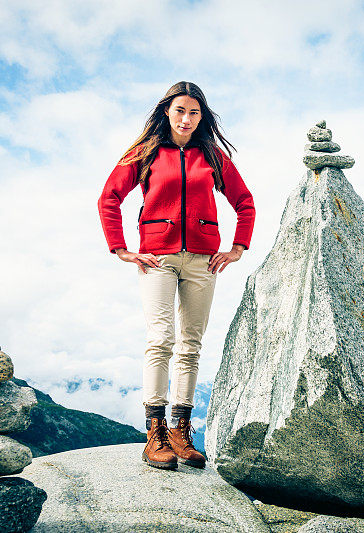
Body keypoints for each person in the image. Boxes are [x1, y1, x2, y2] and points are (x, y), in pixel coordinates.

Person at [97, 81, 255, 470]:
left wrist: (236, 248)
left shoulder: (213, 156)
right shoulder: (144, 153)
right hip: (158, 258)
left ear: (202, 116)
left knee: (191, 344)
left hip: (203, 261)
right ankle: (155, 434)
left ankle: (181, 433)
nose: (186, 119)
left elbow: (245, 203)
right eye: (180, 110)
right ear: (166, 111)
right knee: (161, 339)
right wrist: (121, 248)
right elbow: (109, 199)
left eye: (194, 112)